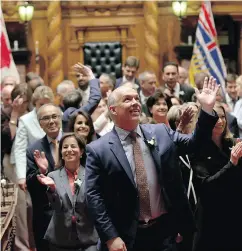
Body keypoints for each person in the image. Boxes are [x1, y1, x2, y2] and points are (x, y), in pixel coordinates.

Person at [85, 76, 219, 251]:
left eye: (136, 98)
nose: (135, 102)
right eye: (127, 100)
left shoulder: (161, 132)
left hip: (165, 232)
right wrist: (111, 237)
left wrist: (207, 110)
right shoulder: (98, 149)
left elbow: (195, 144)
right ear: (113, 110)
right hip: (126, 237)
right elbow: (94, 197)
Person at [192, 103, 242, 251]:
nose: (220, 121)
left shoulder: (232, 143)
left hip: (235, 211)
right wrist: (231, 163)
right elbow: (206, 186)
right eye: (215, 118)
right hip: (212, 216)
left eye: (222, 117)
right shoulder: (197, 148)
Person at [37, 133, 98, 251]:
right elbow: (57, 208)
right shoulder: (52, 176)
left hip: (89, 237)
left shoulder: (91, 175)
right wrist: (53, 189)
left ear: (81, 152)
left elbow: (95, 205)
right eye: (65, 147)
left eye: (73, 146)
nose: (69, 150)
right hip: (61, 238)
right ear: (61, 153)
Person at [26, 104, 63, 251]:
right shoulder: (33, 149)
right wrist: (42, 171)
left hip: (75, 213)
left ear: (60, 118)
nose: (51, 121)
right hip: (47, 215)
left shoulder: (74, 142)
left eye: (54, 116)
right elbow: (30, 184)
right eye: (46, 118)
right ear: (40, 124)